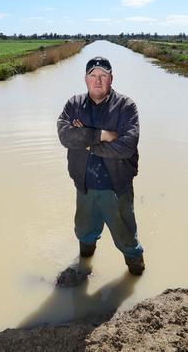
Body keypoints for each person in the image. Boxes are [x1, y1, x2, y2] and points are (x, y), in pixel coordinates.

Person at [56, 56, 145, 276]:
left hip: (116, 189)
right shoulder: (74, 105)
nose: (98, 80)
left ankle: (136, 272)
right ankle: (85, 266)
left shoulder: (126, 107)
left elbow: (126, 146)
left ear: (111, 78)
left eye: (103, 76)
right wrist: (102, 135)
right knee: (84, 233)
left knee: (127, 239)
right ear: (85, 79)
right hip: (84, 187)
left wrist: (86, 142)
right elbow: (65, 136)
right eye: (93, 75)